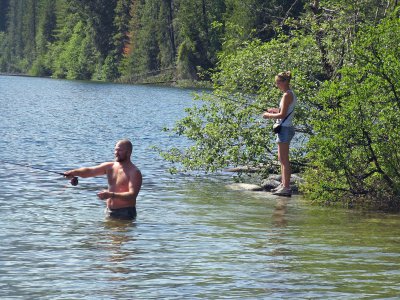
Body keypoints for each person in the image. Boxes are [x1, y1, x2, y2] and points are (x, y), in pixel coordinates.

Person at [64, 139, 142, 220]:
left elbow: (132, 195)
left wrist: (110, 195)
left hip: (125, 213)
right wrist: (73, 172)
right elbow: (89, 171)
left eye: (120, 150)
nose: (116, 153)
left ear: (128, 152)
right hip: (109, 211)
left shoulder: (134, 172)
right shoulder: (110, 166)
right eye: (115, 150)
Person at [263, 71, 296, 197]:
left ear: (285, 82)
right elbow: (283, 111)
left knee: (284, 160)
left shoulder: (287, 95)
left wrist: (268, 115)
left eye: (278, 82)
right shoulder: (288, 94)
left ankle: (286, 188)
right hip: (285, 128)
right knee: (281, 159)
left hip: (285, 128)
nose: (277, 85)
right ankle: (283, 185)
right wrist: (273, 110)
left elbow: (282, 115)